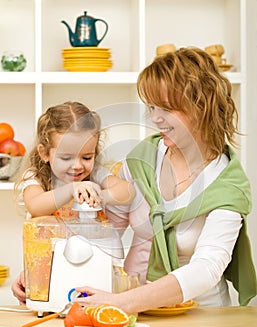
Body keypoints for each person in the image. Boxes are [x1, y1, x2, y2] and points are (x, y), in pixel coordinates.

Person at [12, 48, 257, 312]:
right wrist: (47, 275)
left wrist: (121, 302)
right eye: (152, 107)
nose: (155, 118)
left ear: (201, 105)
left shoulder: (227, 185)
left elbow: (207, 268)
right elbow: (104, 234)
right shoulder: (143, 159)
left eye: (167, 108)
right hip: (137, 312)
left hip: (203, 315)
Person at [15, 101, 135, 219]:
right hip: (46, 239)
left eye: (86, 157)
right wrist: (71, 189)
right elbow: (35, 206)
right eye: (66, 158)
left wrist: (98, 196)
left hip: (89, 239)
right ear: (44, 153)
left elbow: (128, 191)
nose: (77, 166)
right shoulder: (35, 177)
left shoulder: (95, 173)